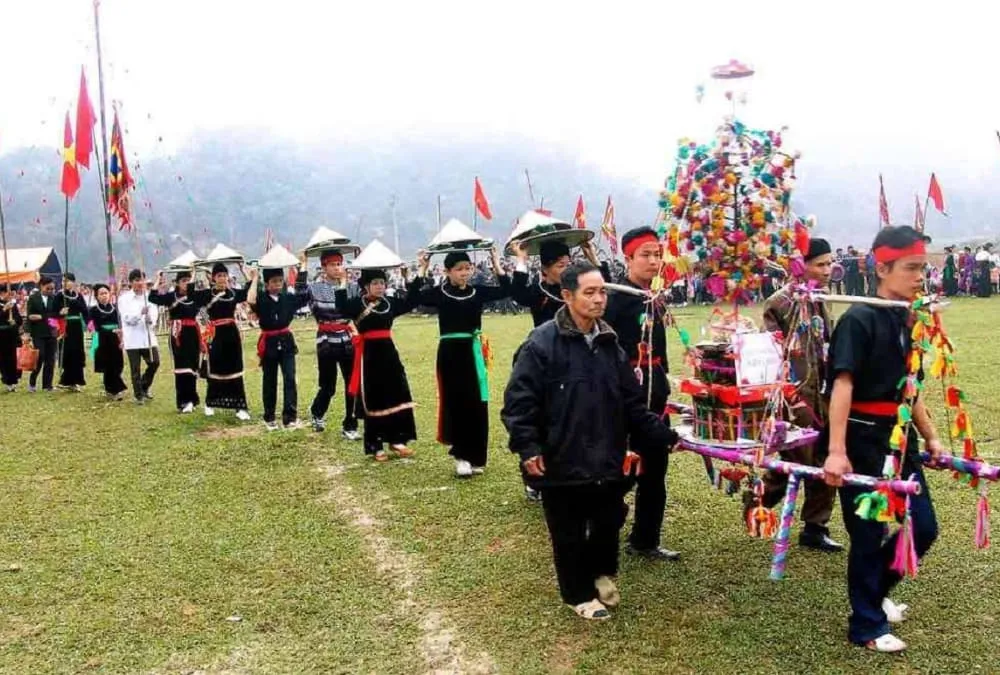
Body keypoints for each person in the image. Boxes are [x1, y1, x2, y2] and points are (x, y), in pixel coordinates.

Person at [502, 262, 679, 620]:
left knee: (608, 518)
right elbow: (519, 403)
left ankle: (600, 573)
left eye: (603, 292)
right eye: (590, 292)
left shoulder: (609, 342)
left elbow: (632, 403)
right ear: (567, 296)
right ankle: (577, 594)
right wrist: (528, 447)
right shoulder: (541, 344)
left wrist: (666, 435)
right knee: (567, 529)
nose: (599, 299)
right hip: (561, 453)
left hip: (606, 450)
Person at [822, 226, 941, 653]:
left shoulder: (908, 318)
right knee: (868, 534)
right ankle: (866, 626)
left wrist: (930, 437)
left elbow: (911, 387)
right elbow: (842, 387)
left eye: (922, 268)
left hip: (899, 438)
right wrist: (836, 452)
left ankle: (876, 592)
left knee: (924, 527)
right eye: (910, 268)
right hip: (861, 440)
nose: (919, 277)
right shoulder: (859, 319)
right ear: (881, 266)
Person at [759, 238, 842, 552]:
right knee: (794, 460)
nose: (827, 270)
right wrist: (788, 394)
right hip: (794, 396)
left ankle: (815, 527)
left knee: (824, 458)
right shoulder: (779, 302)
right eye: (820, 264)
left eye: (828, 263)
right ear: (801, 265)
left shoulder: (821, 298)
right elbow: (769, 352)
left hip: (824, 393)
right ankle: (759, 502)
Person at [603, 227, 679, 561]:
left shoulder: (654, 297)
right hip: (624, 398)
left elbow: (659, 349)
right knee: (618, 471)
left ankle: (645, 540)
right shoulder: (615, 299)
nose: (652, 261)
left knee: (655, 470)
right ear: (628, 258)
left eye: (656, 254)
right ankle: (596, 534)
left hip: (655, 393)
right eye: (645, 255)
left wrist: (662, 382)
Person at [510, 237, 603, 501]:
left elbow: (602, 283)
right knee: (541, 419)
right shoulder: (538, 292)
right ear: (546, 270)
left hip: (578, 359)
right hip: (544, 361)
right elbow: (517, 292)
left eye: (569, 262)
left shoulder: (579, 292)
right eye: (561, 265)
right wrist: (521, 258)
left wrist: (590, 252)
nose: (567, 268)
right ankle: (534, 478)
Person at [417, 247, 511, 477]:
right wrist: (423, 266)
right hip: (450, 353)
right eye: (459, 269)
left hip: (474, 351)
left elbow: (508, 289)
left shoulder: (477, 292)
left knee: (478, 403)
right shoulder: (440, 293)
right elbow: (414, 296)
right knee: (456, 402)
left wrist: (496, 262)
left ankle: (476, 456)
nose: (465, 273)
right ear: (448, 271)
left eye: (467, 268)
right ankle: (460, 456)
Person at [337, 266, 422, 461]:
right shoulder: (356, 304)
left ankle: (397, 439)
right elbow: (340, 306)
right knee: (374, 397)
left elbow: (412, 301)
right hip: (368, 356)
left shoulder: (390, 304)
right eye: (375, 283)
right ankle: (375, 445)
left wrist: (408, 276)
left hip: (389, 354)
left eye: (382, 283)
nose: (380, 287)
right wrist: (342, 280)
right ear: (366, 286)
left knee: (397, 393)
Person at [301, 251, 360, 439]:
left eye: (339, 264)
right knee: (328, 385)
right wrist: (303, 264)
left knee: (352, 384)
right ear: (324, 267)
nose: (337, 268)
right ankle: (317, 412)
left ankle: (350, 426)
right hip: (326, 339)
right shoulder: (315, 288)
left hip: (347, 338)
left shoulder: (352, 287)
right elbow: (299, 291)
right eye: (333, 264)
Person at [247, 265, 310, 430]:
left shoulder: (287, 298)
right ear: (267, 284)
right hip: (269, 343)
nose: (277, 284)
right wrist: (254, 279)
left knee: (290, 378)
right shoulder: (261, 299)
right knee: (270, 381)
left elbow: (303, 295)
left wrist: (302, 268)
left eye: (280, 281)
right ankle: (269, 417)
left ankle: (290, 417)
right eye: (274, 281)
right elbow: (250, 300)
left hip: (287, 342)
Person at [191, 263, 251, 420]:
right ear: (213, 278)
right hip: (215, 334)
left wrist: (243, 269)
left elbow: (249, 289)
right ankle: (210, 403)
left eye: (225, 275)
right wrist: (193, 272)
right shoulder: (207, 294)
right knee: (215, 368)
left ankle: (240, 407)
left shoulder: (233, 293)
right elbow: (191, 295)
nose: (222, 278)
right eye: (219, 276)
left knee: (235, 367)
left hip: (232, 334)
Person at [150, 270, 203, 413]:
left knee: (192, 366)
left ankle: (192, 399)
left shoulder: (195, 297)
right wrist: (158, 279)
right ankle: (183, 401)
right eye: (183, 280)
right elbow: (152, 297)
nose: (186, 283)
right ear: (177, 283)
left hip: (193, 333)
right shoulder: (170, 297)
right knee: (181, 367)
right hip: (177, 334)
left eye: (188, 280)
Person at [118, 269, 160, 404]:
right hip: (133, 339)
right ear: (131, 282)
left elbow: (154, 316)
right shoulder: (124, 299)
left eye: (142, 279)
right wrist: (140, 313)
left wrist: (150, 319)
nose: (140, 283)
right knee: (135, 368)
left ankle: (144, 386)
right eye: (136, 280)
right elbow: (127, 318)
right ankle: (138, 395)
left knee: (155, 362)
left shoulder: (150, 298)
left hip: (148, 338)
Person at [88, 283, 128, 400]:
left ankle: (112, 387)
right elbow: (90, 324)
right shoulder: (94, 310)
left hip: (115, 337)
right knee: (108, 364)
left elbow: (121, 323)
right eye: (101, 294)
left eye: (106, 293)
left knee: (118, 364)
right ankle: (114, 389)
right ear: (96, 296)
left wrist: (121, 335)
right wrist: (94, 330)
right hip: (103, 338)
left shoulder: (115, 308)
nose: (104, 296)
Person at [54, 272, 88, 391]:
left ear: (73, 282)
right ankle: (66, 380)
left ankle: (76, 381)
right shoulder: (59, 296)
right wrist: (60, 312)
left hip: (76, 326)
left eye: (67, 281)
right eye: (63, 281)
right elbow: (52, 314)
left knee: (77, 352)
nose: (65, 283)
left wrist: (91, 325)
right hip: (65, 326)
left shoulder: (78, 296)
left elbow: (85, 311)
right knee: (67, 352)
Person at [26, 276, 59, 392]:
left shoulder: (54, 299)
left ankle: (47, 385)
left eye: (52, 289)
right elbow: (30, 316)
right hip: (38, 333)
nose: (50, 291)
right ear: (41, 286)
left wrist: (43, 317)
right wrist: (27, 332)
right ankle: (32, 381)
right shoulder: (33, 298)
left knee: (50, 359)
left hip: (52, 332)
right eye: (48, 288)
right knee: (40, 356)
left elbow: (56, 314)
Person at [0, 284, 23, 391]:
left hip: (13, 335)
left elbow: (19, 319)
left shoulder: (13, 305)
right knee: (5, 359)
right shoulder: (4, 305)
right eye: (8, 293)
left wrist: (15, 321)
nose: (10, 295)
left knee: (15, 358)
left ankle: (15, 379)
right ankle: (8, 381)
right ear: (2, 293)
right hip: (2, 336)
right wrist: (4, 309)